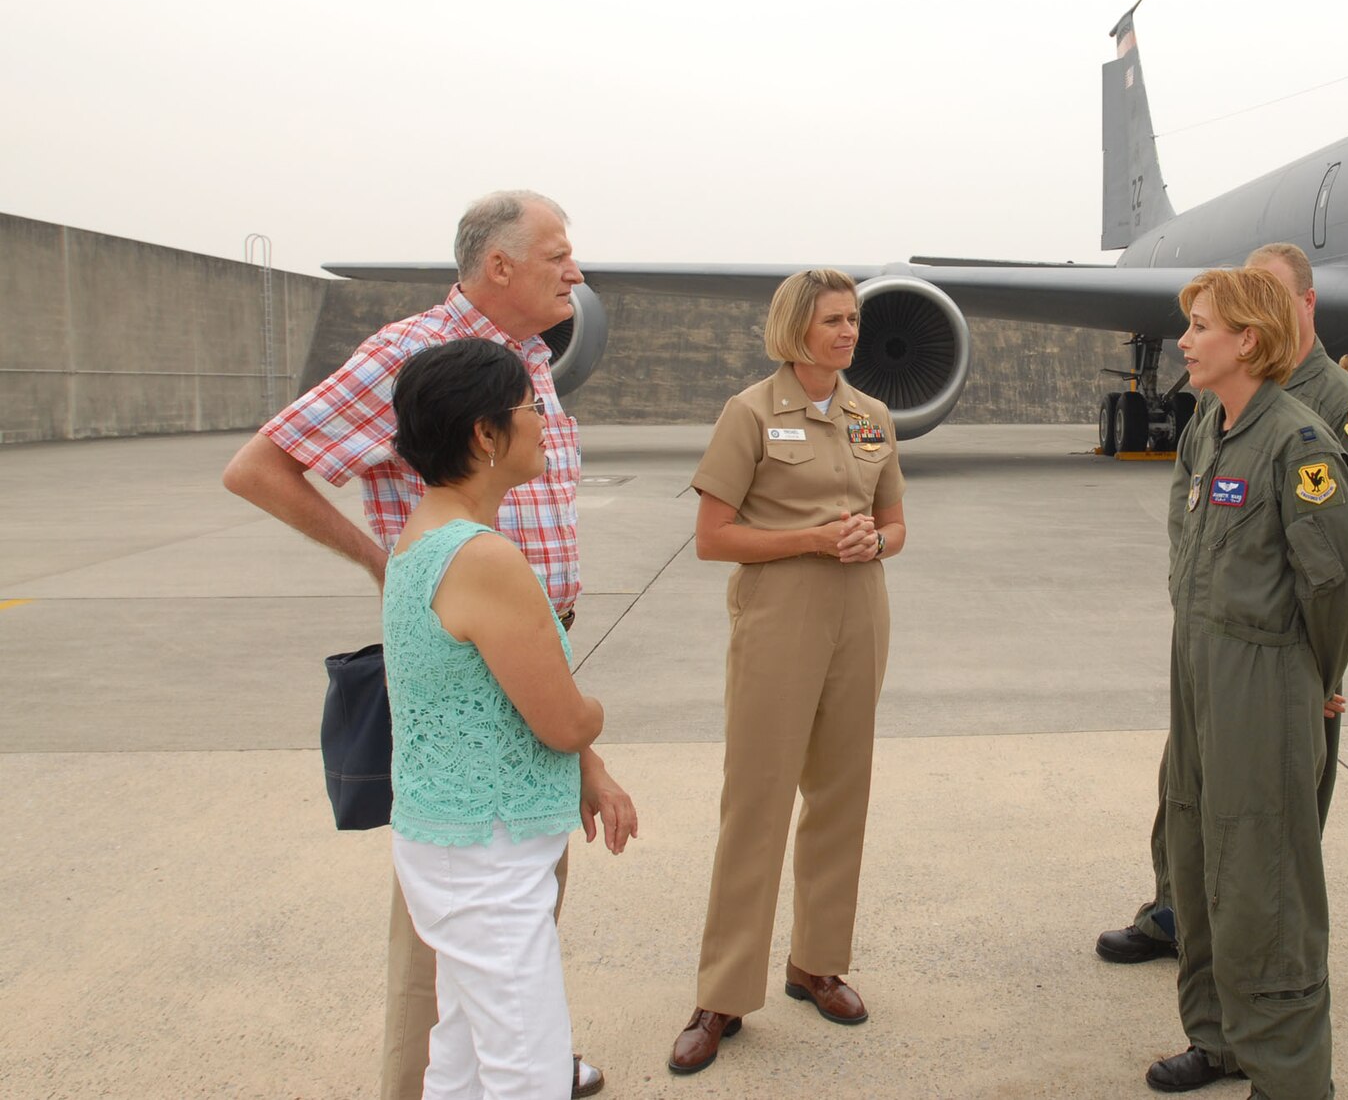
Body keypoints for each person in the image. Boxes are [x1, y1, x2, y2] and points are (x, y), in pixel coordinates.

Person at [222, 190, 632, 1100]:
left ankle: (518, 1048)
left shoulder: (527, 360)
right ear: (499, 267)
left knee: (519, 898)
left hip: (524, 648)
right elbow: (259, 465)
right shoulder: (408, 357)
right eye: (559, 254)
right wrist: (390, 567)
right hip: (470, 638)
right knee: (445, 930)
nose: (577, 271)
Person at [1100, 243, 1348, 1080]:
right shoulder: (1214, 425)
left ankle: (1289, 1074)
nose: (1182, 341)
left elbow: (1343, 583)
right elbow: (1188, 532)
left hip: (1266, 675)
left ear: (1250, 338)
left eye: (1199, 327)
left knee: (1265, 882)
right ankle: (1218, 1035)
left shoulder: (1305, 435)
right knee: (1193, 855)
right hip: (1203, 668)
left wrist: (1314, 673)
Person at [669, 268, 908, 1075]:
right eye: (833, 320)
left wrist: (877, 540)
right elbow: (712, 536)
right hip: (780, 618)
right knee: (758, 800)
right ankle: (722, 993)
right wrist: (808, 538)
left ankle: (817, 961)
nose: (848, 332)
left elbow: (897, 520)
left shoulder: (871, 417)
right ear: (795, 329)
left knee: (842, 791)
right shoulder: (751, 413)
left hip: (859, 613)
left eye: (853, 320)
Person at [383, 338, 608, 1098]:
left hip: (451, 841)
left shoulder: (419, 536)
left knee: (465, 1055)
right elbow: (565, 721)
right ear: (486, 434)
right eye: (532, 407)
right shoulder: (481, 557)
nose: (546, 422)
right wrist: (596, 716)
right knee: (527, 1068)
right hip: (489, 855)